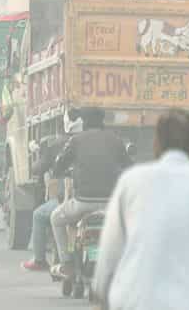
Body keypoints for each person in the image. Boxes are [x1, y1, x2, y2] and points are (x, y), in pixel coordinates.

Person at [91, 109, 189, 310]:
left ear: (156, 144)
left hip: (137, 301)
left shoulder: (131, 182)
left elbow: (109, 253)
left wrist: (100, 299)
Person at [50, 108, 131, 277]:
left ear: (84, 123)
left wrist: (58, 171)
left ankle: (67, 264)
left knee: (56, 218)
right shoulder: (115, 140)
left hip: (82, 203)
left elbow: (58, 167)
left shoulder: (75, 141)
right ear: (102, 122)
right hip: (110, 204)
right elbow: (128, 166)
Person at [21, 116, 78, 272]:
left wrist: (41, 153)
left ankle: (40, 260)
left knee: (39, 215)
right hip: (106, 200)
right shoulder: (99, 144)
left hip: (76, 200)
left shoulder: (60, 145)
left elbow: (39, 169)